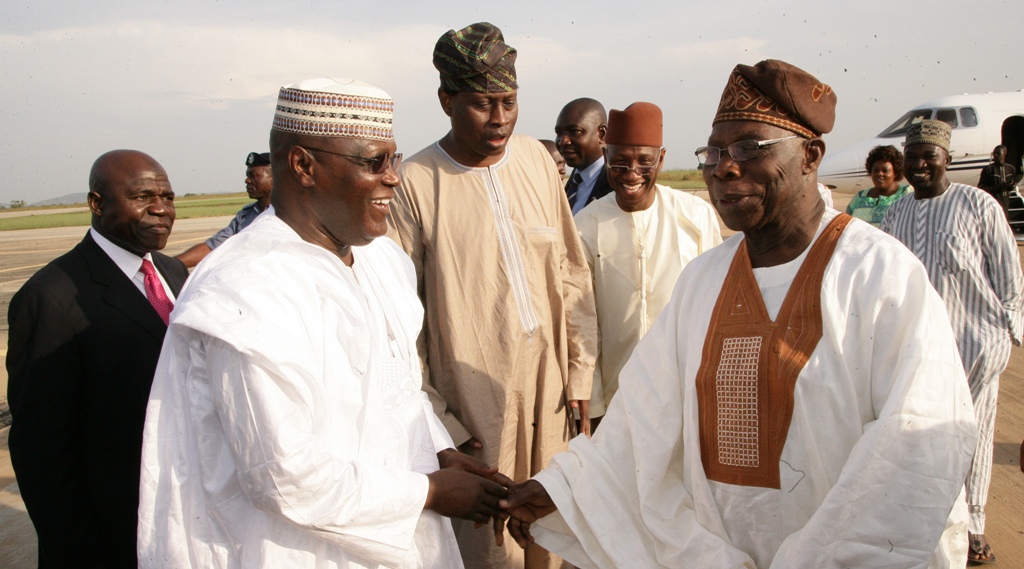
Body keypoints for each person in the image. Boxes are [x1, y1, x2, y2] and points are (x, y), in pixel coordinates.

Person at [501, 60, 979, 569]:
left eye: (751, 148)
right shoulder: (703, 281)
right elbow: (639, 420)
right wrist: (562, 489)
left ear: (810, 156)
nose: (724, 167)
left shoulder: (879, 275)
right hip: (715, 552)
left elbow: (917, 445)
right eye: (715, 151)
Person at [138, 78, 512, 568]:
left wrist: (437, 451)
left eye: (393, 160)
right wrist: (428, 492)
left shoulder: (382, 262)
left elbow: (396, 389)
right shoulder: (247, 287)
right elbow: (281, 477)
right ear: (303, 165)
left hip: (399, 537)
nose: (393, 178)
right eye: (373, 161)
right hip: (295, 549)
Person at [388, 22, 598, 569]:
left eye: (509, 101)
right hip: (469, 407)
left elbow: (572, 275)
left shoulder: (536, 161)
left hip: (551, 392)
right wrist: (440, 425)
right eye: (483, 104)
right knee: (489, 546)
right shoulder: (415, 182)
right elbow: (396, 323)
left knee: (555, 532)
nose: (500, 118)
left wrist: (581, 374)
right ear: (446, 100)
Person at [6, 149, 188, 568]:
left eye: (168, 197)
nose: (161, 209)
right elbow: (41, 452)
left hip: (171, 517)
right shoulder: (52, 296)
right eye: (143, 197)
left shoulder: (170, 272)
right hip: (107, 532)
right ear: (97, 203)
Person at [882, 120, 1024, 565]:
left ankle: (974, 526)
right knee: (917, 434)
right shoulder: (896, 213)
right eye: (913, 156)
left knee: (972, 435)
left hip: (974, 346)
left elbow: (1010, 282)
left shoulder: (978, 204)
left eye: (929, 156)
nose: (920, 165)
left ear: (948, 158)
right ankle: (929, 522)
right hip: (918, 350)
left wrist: (1005, 337)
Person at [574, 101, 721, 431]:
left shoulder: (694, 217)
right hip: (617, 400)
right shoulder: (586, 225)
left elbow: (715, 308)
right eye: (620, 163)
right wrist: (593, 404)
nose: (631, 175)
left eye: (644, 162)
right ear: (606, 157)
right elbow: (582, 322)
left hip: (688, 393)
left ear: (662, 159)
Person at [175, 151, 273, 267]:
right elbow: (213, 247)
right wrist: (168, 265)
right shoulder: (245, 216)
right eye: (247, 176)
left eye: (253, 175)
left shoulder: (291, 213)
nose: (247, 180)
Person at [556, 98, 613, 214]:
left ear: (602, 134)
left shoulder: (616, 185)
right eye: (559, 133)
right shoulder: (573, 184)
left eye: (575, 131)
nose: (563, 141)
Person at [845, 144, 912, 226]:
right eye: (875, 170)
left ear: (896, 172)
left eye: (885, 170)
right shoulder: (859, 197)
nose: (880, 174)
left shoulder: (906, 194)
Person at [977, 144, 1020, 219]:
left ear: (1004, 154)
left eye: (998, 153)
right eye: (994, 153)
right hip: (993, 201)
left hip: (1005, 202)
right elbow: (981, 188)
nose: (995, 155)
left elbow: (1012, 184)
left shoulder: (1011, 169)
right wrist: (998, 187)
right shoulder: (988, 170)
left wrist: (1011, 185)